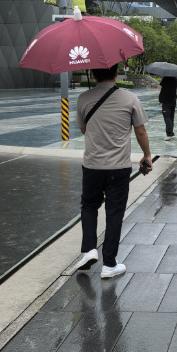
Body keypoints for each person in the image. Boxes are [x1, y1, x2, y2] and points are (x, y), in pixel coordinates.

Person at [74, 63, 152, 278]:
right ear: (116, 73)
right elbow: (140, 130)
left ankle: (89, 248)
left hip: (92, 165)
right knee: (114, 212)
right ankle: (109, 263)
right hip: (119, 167)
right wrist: (146, 155)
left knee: (89, 206)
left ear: (93, 74)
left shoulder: (82, 99)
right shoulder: (129, 98)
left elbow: (83, 129)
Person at [159, 75, 177, 140]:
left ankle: (169, 134)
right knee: (171, 117)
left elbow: (159, 87)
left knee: (167, 117)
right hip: (173, 100)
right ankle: (171, 133)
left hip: (166, 101)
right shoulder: (175, 78)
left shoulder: (165, 78)